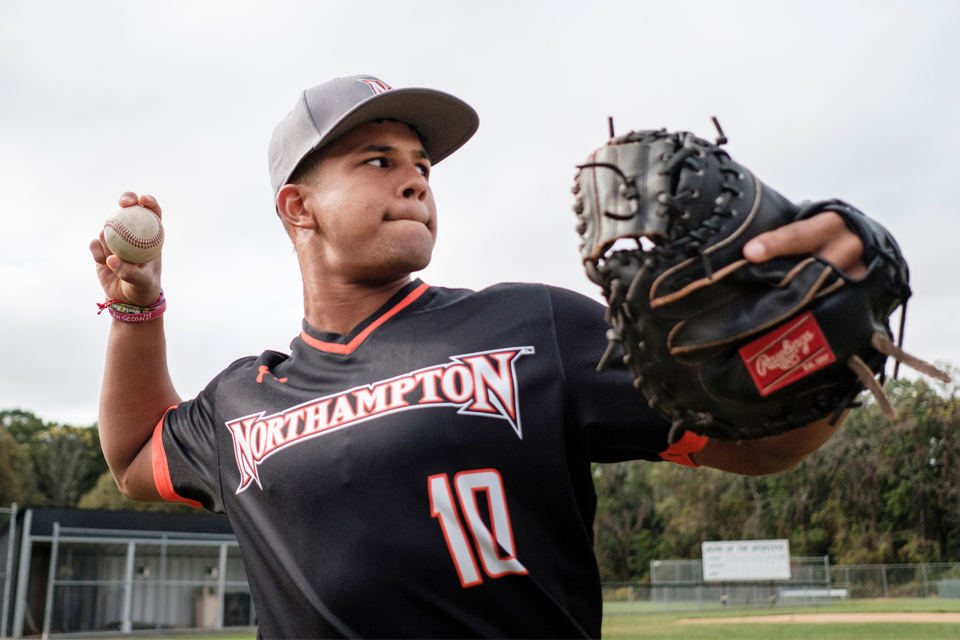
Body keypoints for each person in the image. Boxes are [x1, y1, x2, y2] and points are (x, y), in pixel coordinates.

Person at [90, 75, 869, 638]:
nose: (415, 182)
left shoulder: (531, 323)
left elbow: (761, 441)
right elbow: (133, 457)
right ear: (299, 206)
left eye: (422, 166)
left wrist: (822, 347)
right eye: (378, 161)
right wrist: (134, 308)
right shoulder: (244, 399)